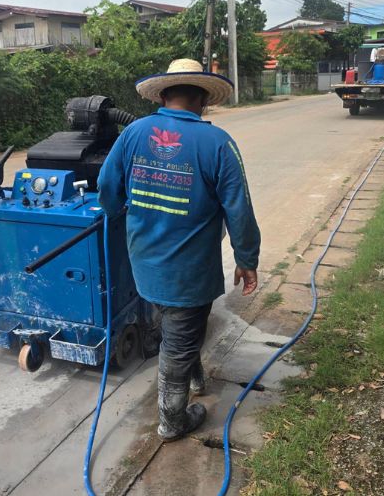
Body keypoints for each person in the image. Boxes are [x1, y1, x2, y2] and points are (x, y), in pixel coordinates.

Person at [97, 58, 261, 442]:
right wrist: (246, 258)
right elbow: (239, 208)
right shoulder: (218, 143)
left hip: (145, 263)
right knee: (178, 338)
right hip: (190, 272)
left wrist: (116, 208)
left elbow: (106, 187)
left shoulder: (133, 133)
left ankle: (192, 375)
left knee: (174, 324)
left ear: (163, 96)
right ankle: (171, 421)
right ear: (203, 100)